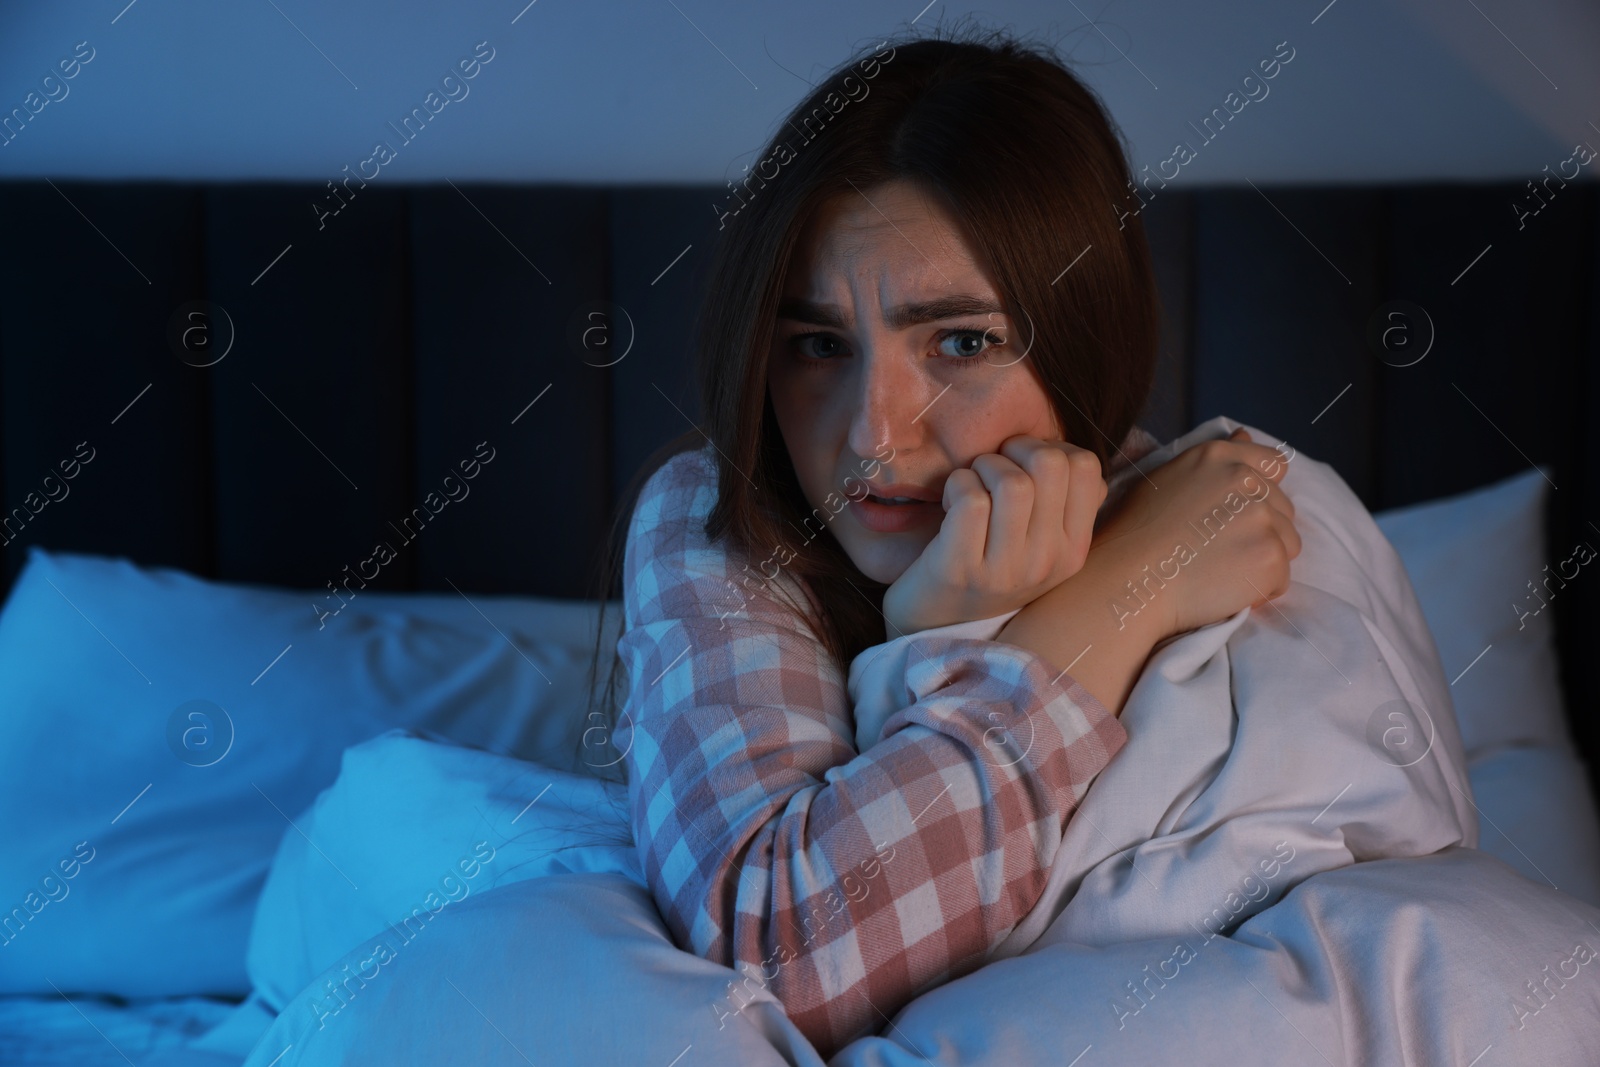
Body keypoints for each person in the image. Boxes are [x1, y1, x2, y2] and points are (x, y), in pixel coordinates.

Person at [577, 22, 1301, 1058]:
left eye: (961, 341)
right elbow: (779, 957)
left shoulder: (1204, 497)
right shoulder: (719, 520)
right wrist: (1128, 588)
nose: (875, 433)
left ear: (1087, 335)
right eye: (817, 345)